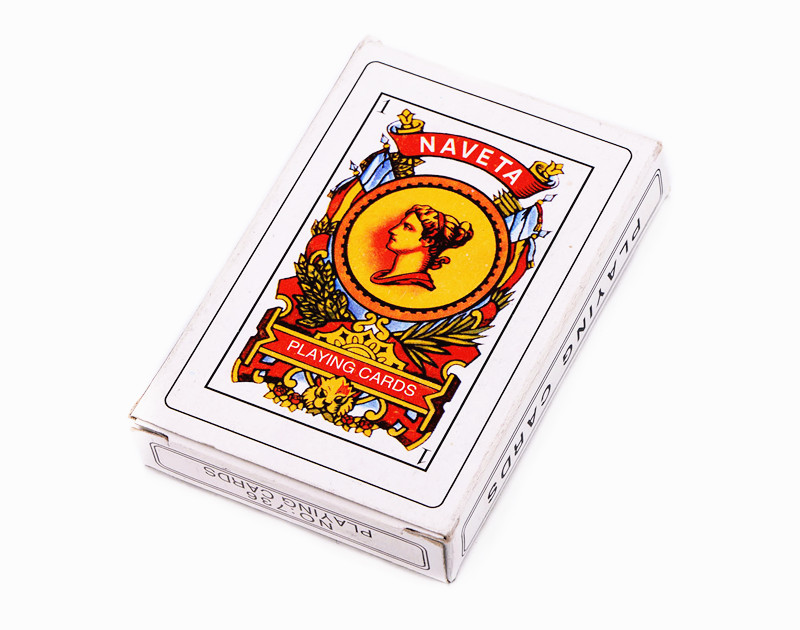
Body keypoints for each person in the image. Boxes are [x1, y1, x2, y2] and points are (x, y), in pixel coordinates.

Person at [370, 204, 473, 291]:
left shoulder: (413, 288)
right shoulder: (383, 278)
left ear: (427, 241)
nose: (393, 230)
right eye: (400, 224)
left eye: (408, 227)